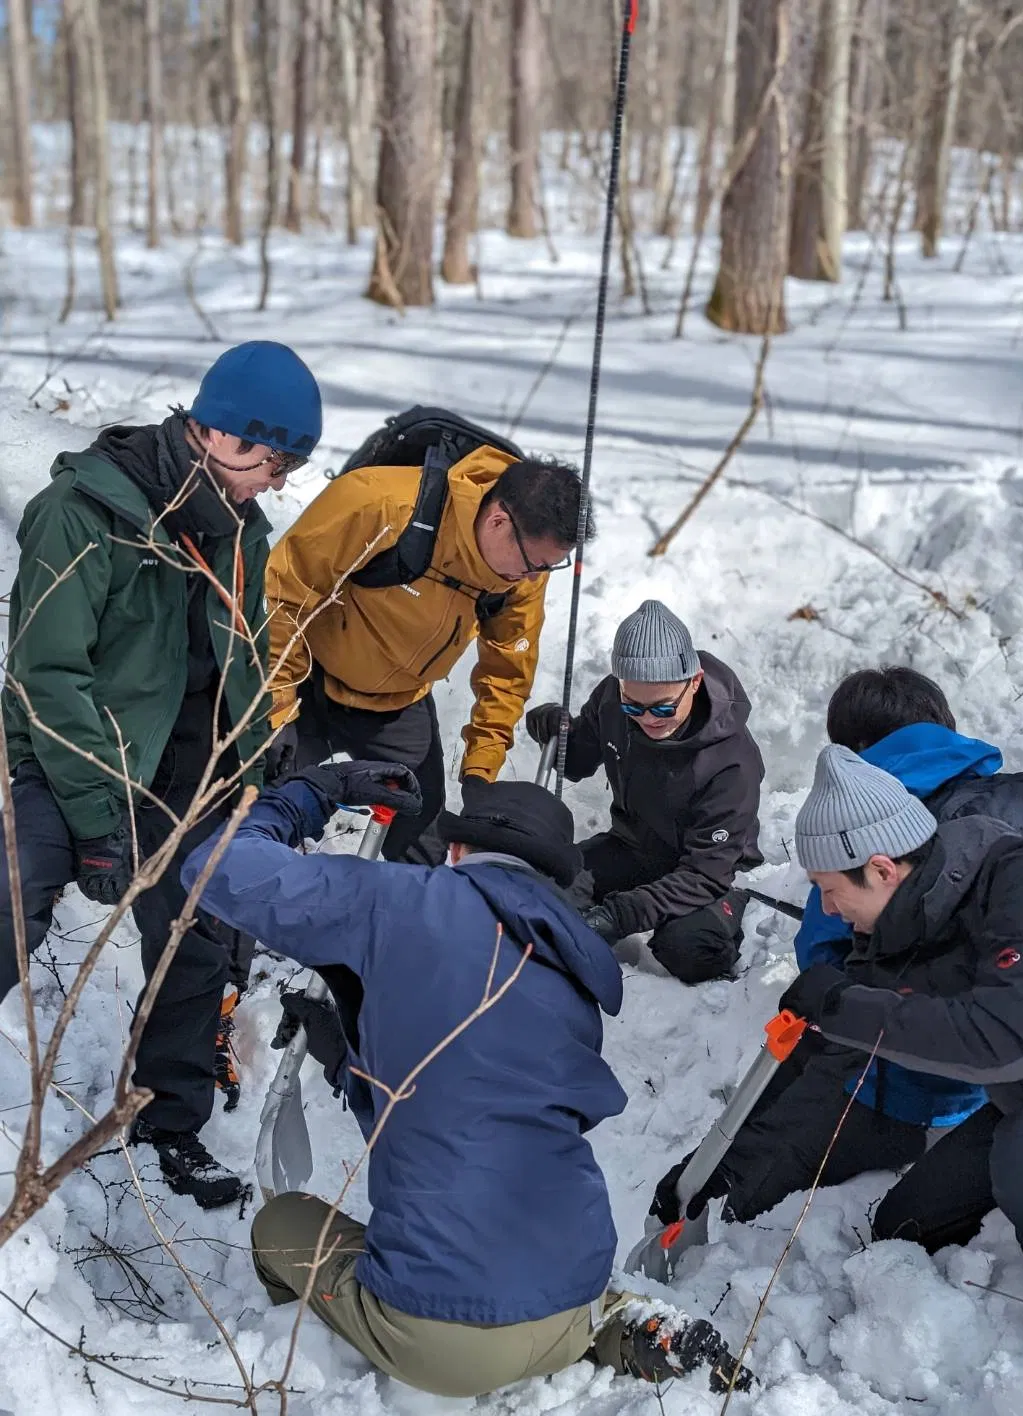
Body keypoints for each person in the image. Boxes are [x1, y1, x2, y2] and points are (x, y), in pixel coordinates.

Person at [181, 765, 740, 1397]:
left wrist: (316, 794)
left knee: (280, 1224)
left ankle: (307, 1368)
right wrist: (349, 1061)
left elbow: (218, 868)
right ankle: (614, 1327)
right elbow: (455, 1103)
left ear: (455, 850)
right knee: (529, 1277)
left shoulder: (400, 898)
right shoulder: (571, 975)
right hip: (575, 1288)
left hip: (442, 1340)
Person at [0, 340, 322, 1208]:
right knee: (12, 887)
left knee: (197, 928)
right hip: (75, 755)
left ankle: (166, 1118)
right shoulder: (81, 512)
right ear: (219, 433)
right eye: (275, 458)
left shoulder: (242, 530)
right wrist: (99, 818)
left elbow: (242, 657)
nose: (279, 481)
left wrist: (259, 751)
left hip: (184, 766)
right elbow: (45, 678)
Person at [653, 666, 1023, 1232]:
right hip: (1017, 1075)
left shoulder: (865, 830)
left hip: (930, 1080)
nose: (829, 900)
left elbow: (828, 977)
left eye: (829, 891)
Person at [263, 448, 587, 861]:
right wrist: (277, 710)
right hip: (307, 679)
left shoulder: (520, 572)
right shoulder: (379, 504)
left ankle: (402, 919)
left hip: (398, 702)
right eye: (533, 565)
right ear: (499, 521)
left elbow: (507, 670)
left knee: (424, 832)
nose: (534, 578)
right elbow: (281, 598)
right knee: (263, 808)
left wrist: (480, 772)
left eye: (548, 569)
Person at [526, 600, 764, 985]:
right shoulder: (611, 699)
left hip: (713, 872)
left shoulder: (731, 761)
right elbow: (580, 759)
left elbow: (706, 871)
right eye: (633, 707)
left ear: (695, 682)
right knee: (542, 886)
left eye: (663, 709)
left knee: (688, 949)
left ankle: (728, 921)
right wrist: (557, 729)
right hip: (634, 847)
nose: (648, 720)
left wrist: (620, 915)